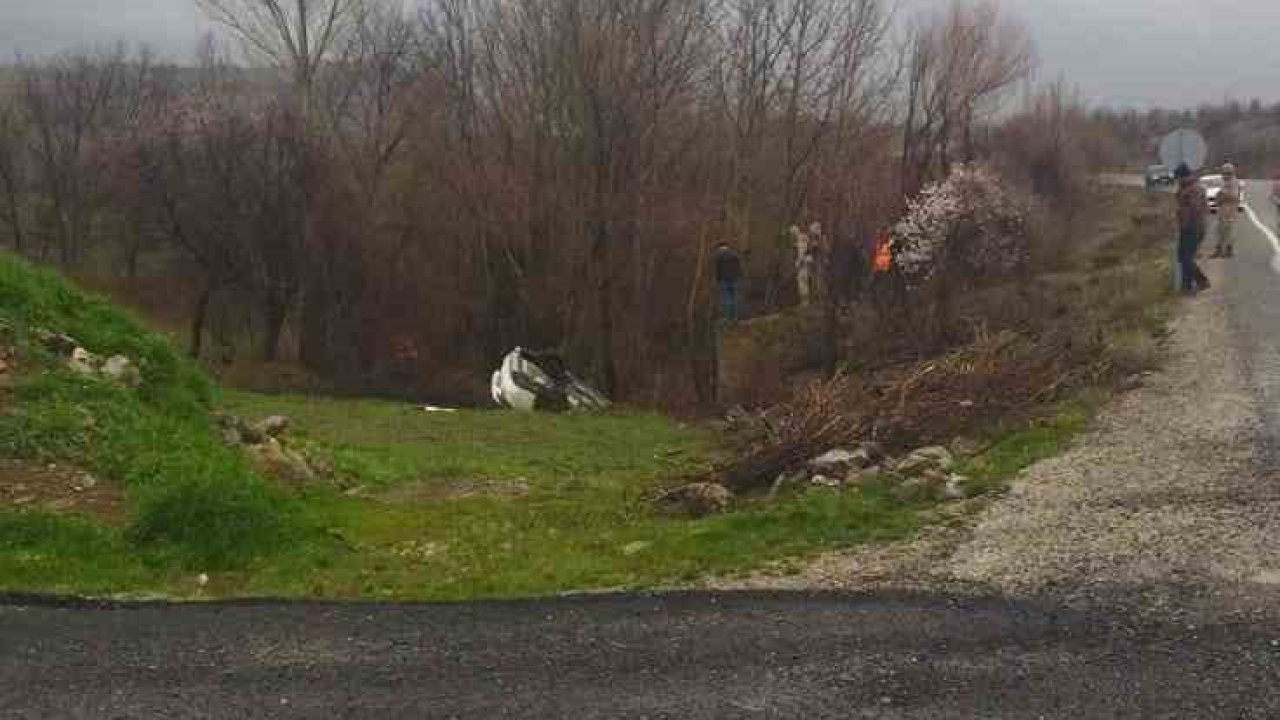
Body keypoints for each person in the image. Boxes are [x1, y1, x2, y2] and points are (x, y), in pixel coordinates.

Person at [1174, 163, 1210, 295]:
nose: (1177, 180)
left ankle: (1202, 281)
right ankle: (1186, 286)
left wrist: (1183, 215)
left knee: (1187, 258)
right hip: (1186, 227)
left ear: (1184, 176)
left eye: (1178, 178)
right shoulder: (1185, 187)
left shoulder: (1195, 189)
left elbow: (1194, 209)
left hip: (1194, 227)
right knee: (1182, 257)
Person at [1212, 162, 1242, 258]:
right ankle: (1219, 249)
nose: (1224, 174)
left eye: (1226, 172)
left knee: (1228, 230)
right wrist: (1219, 196)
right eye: (1224, 172)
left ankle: (1228, 250)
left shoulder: (1234, 182)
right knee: (1220, 230)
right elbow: (1221, 193)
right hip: (1222, 209)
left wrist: (1223, 195)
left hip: (1230, 209)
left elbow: (1234, 196)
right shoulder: (1224, 182)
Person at [713, 241, 744, 323]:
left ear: (720, 247)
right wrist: (740, 276)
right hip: (735, 279)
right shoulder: (735, 254)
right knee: (735, 299)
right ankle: (736, 318)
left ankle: (727, 318)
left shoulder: (719, 256)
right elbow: (739, 267)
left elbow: (718, 270)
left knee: (726, 299)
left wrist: (717, 280)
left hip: (724, 280)